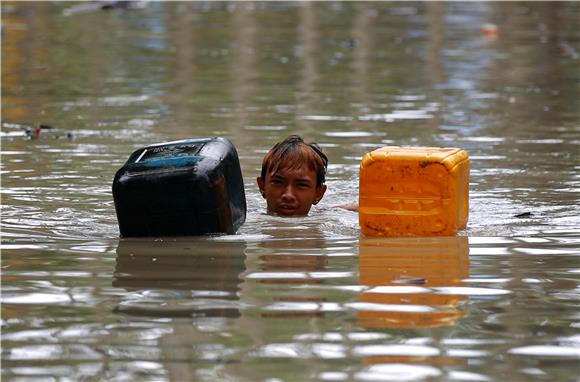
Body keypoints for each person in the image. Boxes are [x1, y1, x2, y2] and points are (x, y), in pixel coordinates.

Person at [257, 135, 328, 217]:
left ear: (318, 194)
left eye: (302, 185)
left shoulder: (333, 221)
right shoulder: (244, 220)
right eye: (278, 182)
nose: (288, 195)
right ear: (262, 186)